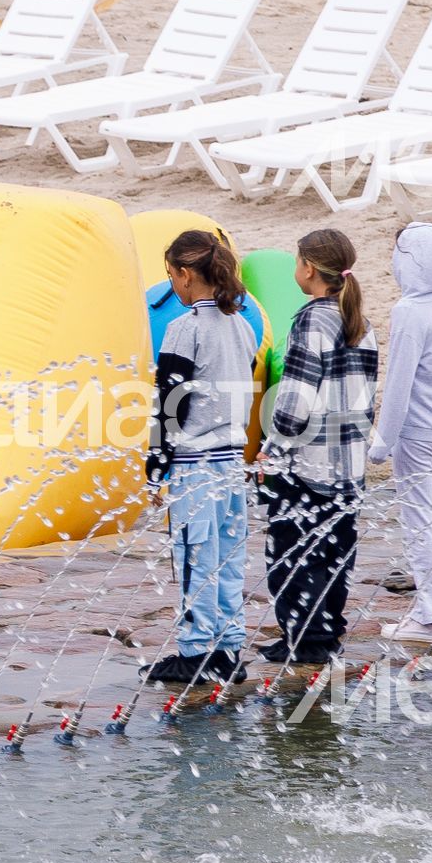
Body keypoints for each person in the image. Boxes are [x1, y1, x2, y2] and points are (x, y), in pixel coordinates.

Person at [258, 228, 376, 679]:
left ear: (308, 268)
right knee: (334, 552)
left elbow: (296, 400)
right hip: (349, 464)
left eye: (296, 262)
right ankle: (324, 635)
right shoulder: (362, 324)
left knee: (290, 554)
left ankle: (304, 641)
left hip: (308, 464)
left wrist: (273, 450)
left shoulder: (311, 320)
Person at [146, 229, 262, 683]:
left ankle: (195, 651)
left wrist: (156, 468)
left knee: (196, 556)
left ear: (186, 275)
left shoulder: (184, 327)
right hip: (232, 461)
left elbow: (170, 403)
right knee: (230, 554)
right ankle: (229, 647)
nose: (171, 283)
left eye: (171, 274)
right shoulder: (242, 326)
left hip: (195, 464)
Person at [375, 222, 432, 646]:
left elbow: (399, 380)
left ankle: (431, 617)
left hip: (417, 432)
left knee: (418, 522)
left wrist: (384, 438)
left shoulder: (409, 312)